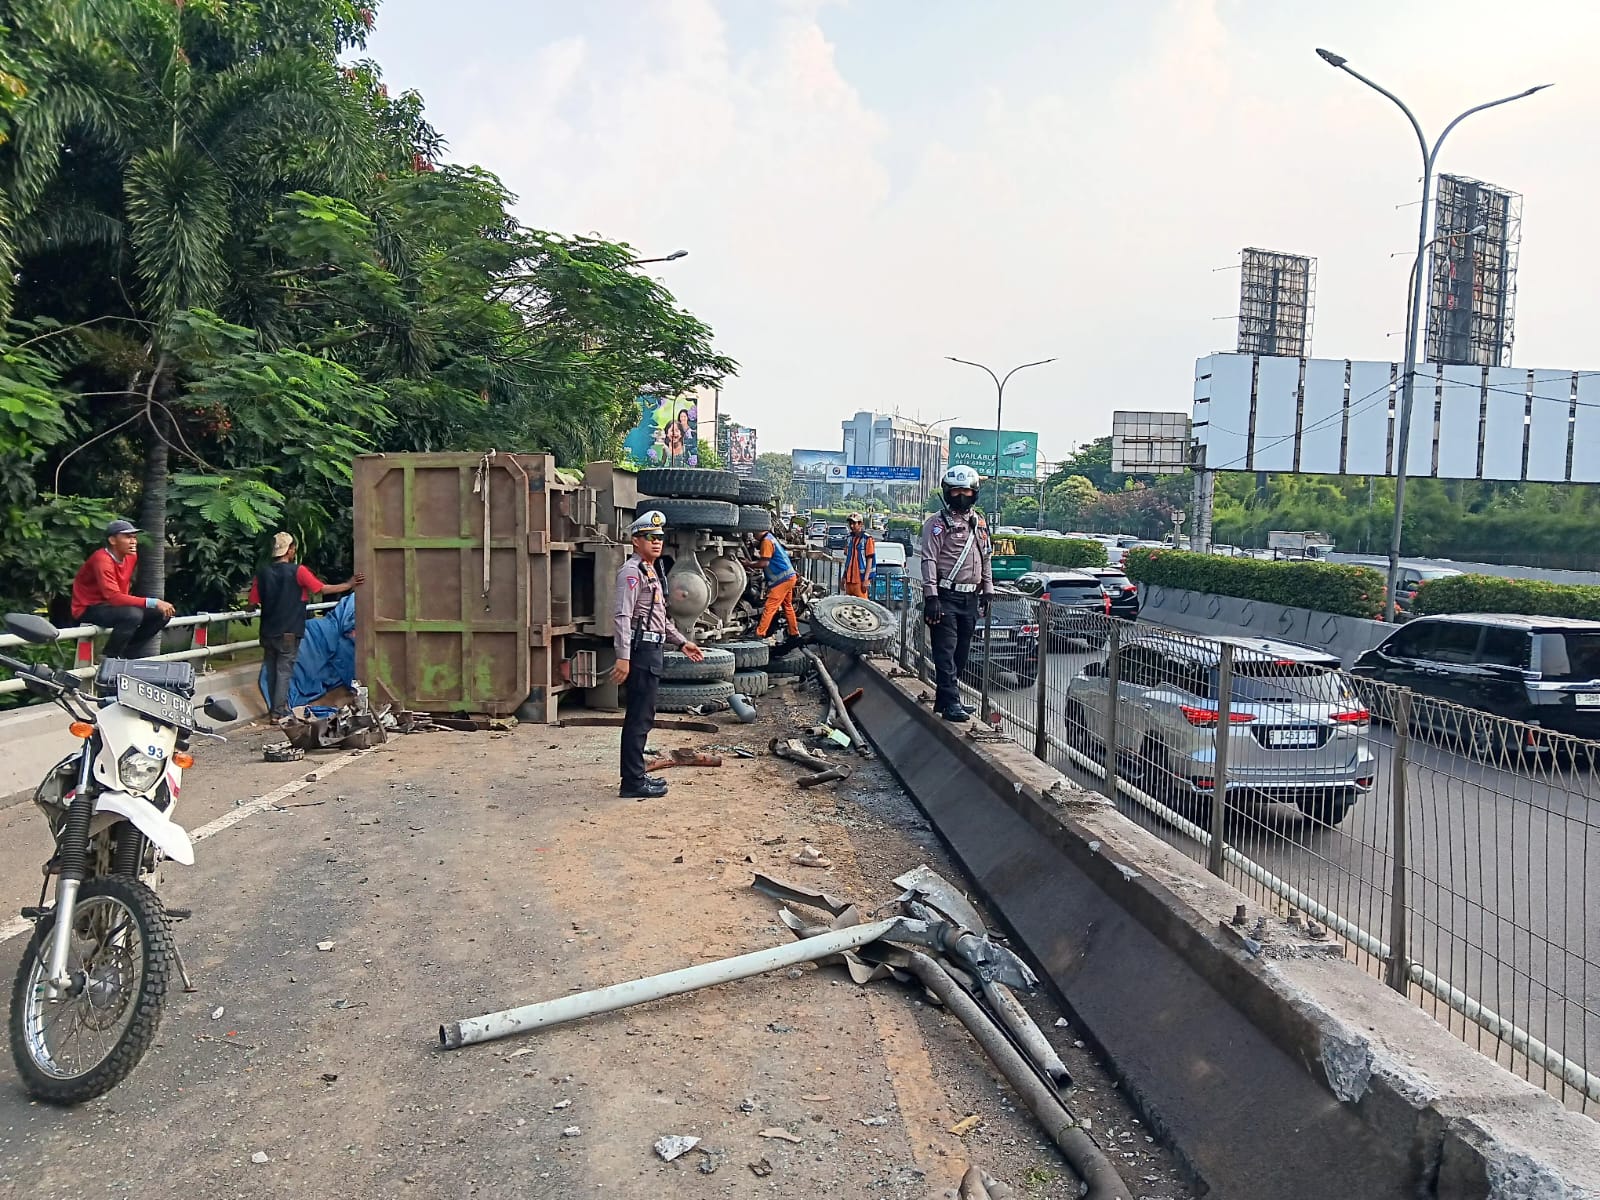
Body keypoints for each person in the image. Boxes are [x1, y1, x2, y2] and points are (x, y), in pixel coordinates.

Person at [611, 510, 705, 799]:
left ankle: (637, 776)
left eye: (660, 538)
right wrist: (623, 656)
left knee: (645, 716)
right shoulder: (631, 572)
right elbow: (623, 616)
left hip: (653, 649)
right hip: (640, 652)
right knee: (638, 718)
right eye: (650, 537)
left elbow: (659, 618)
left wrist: (681, 642)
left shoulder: (651, 570)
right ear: (635, 540)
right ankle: (632, 782)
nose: (656, 542)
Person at [248, 532, 364, 721]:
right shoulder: (298, 571)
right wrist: (348, 584)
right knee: (284, 670)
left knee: (271, 669)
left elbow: (252, 603)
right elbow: (322, 588)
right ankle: (278, 713)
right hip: (290, 631)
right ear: (290, 550)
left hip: (267, 631)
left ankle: (274, 710)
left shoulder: (261, 573)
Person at [920, 465, 994, 721]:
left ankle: (945, 700)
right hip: (945, 596)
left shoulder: (979, 523)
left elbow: (986, 558)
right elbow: (929, 559)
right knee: (945, 652)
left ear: (974, 493)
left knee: (962, 653)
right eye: (956, 491)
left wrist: (987, 590)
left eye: (966, 490)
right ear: (947, 492)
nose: (961, 495)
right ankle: (951, 702)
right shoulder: (937, 524)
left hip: (970, 598)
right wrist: (931, 597)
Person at [70, 519, 175, 660]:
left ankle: (127, 654)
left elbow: (121, 590)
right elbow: (113, 596)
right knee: (132, 614)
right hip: (88, 608)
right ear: (112, 540)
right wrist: (153, 602)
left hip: (112, 606)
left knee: (163, 614)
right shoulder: (102, 560)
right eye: (127, 537)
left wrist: (155, 605)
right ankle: (109, 657)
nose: (133, 541)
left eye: (134, 537)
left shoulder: (131, 556)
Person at [750, 527, 799, 641]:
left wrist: (748, 564)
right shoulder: (770, 538)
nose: (753, 535)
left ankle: (759, 634)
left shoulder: (766, 542)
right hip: (790, 577)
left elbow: (764, 563)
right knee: (787, 605)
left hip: (781, 580)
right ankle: (794, 633)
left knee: (770, 607)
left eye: (753, 533)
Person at [841, 512, 875, 598]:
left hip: (860, 580)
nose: (851, 526)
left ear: (860, 524)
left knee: (862, 607)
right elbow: (848, 561)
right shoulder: (849, 538)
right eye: (850, 523)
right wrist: (844, 577)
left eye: (854, 523)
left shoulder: (867, 539)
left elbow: (869, 559)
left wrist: (866, 579)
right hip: (849, 580)